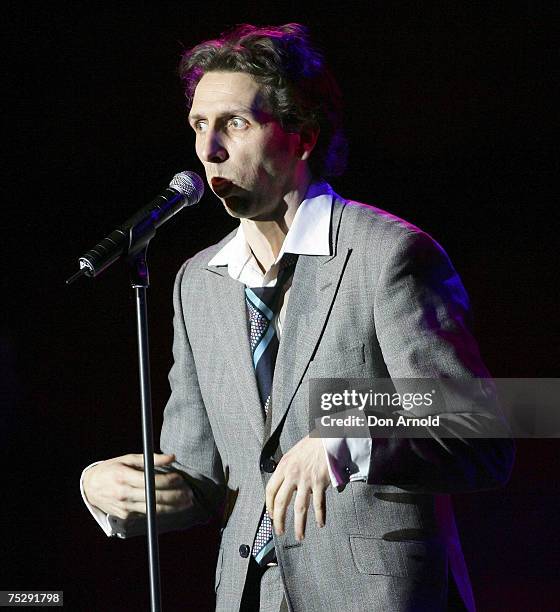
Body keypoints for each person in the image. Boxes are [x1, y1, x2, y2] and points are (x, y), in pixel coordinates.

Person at [81, 23, 514, 611]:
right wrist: (112, 490)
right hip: (249, 596)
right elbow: (205, 482)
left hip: (373, 594)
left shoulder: (386, 254)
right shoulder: (197, 283)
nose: (209, 149)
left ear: (302, 137)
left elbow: (480, 425)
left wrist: (347, 431)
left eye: (234, 124)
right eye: (199, 127)